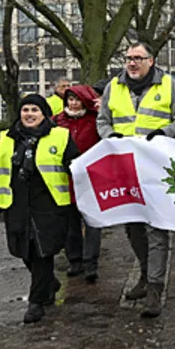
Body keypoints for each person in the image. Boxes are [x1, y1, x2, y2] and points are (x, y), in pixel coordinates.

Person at [97, 42, 175, 318]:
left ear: (151, 60)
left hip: (156, 167)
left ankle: (155, 288)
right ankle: (145, 273)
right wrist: (111, 137)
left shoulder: (169, 85)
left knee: (156, 228)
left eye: (138, 58)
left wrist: (163, 134)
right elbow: (102, 122)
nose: (132, 62)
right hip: (126, 168)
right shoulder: (113, 87)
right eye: (128, 58)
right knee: (133, 227)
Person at [0, 95, 80, 323]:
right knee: (23, 250)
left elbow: (75, 164)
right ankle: (48, 282)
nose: (29, 114)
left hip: (48, 203)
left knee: (42, 251)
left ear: (44, 114)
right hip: (16, 203)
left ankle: (36, 302)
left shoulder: (60, 136)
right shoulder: (6, 138)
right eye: (25, 110)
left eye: (34, 110)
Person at [54, 84, 103, 282]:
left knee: (93, 222)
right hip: (66, 179)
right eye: (70, 99)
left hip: (91, 179)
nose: (73, 104)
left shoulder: (96, 120)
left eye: (77, 100)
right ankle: (75, 260)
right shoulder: (57, 121)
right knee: (70, 224)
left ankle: (91, 262)